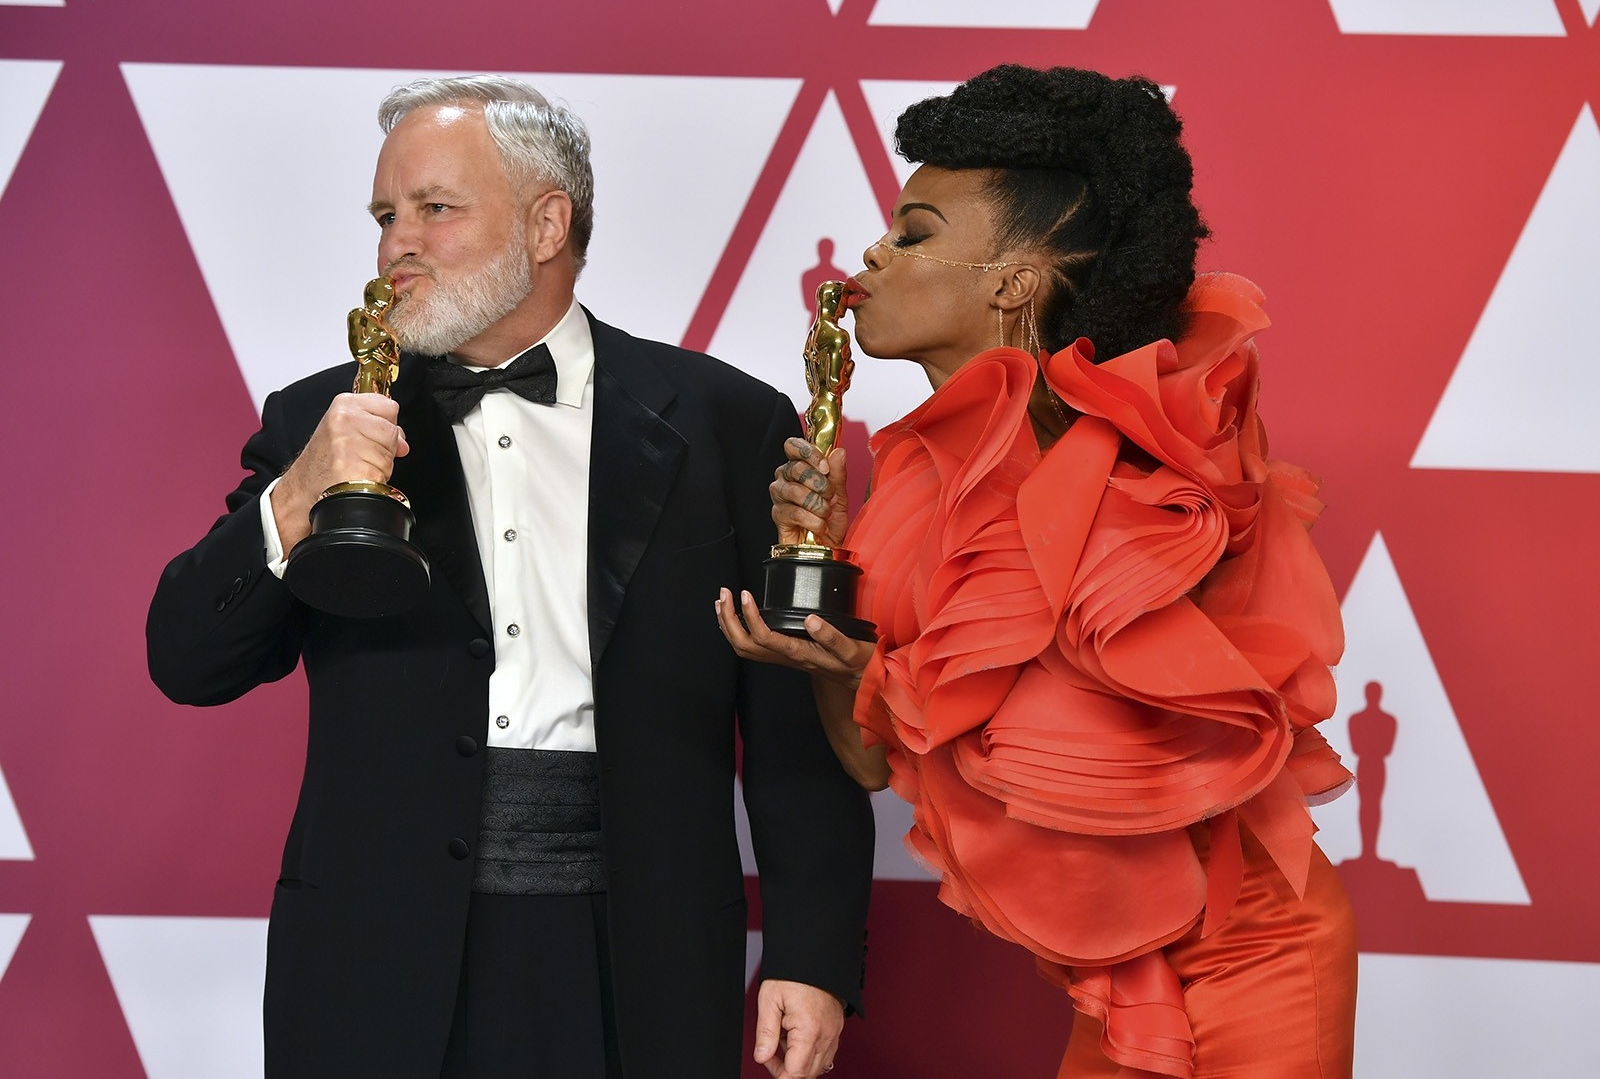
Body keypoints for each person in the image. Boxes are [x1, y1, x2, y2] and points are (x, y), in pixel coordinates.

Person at [147, 75, 873, 1079]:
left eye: (433, 209)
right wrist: (301, 490)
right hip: (373, 960)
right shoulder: (321, 417)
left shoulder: (727, 421)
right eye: (385, 216)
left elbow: (794, 715)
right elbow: (189, 656)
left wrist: (812, 950)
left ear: (545, 222)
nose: (396, 242)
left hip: (641, 952)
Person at [718, 64, 1357, 1078]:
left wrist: (878, 671)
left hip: (1247, 957)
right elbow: (874, 762)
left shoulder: (1147, 459)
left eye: (916, 232)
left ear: (1016, 278)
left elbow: (1048, 756)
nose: (870, 256)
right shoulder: (914, 482)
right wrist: (836, 659)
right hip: (1107, 976)